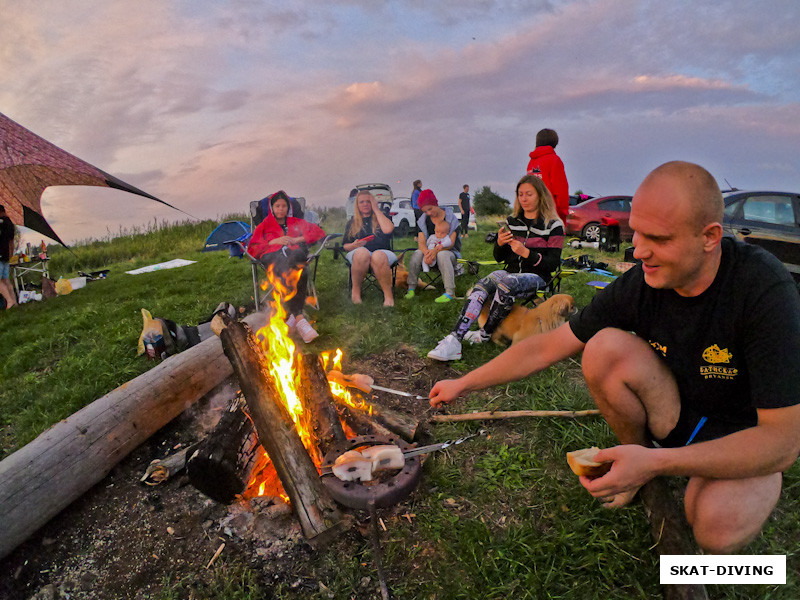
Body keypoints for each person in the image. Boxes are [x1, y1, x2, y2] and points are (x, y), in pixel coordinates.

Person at [429, 161, 800, 554]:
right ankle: (638, 464)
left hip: (743, 432)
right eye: (637, 232)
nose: (638, 251)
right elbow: (549, 345)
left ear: (708, 237)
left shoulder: (763, 290)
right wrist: (463, 383)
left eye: (657, 238)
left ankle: (668, 471)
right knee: (603, 347)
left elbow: (783, 442)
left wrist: (659, 463)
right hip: (676, 410)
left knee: (713, 528)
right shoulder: (643, 281)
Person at [427, 175, 563, 361]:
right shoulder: (513, 221)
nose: (523, 199)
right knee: (483, 284)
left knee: (506, 282)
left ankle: (484, 335)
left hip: (539, 277)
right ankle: (454, 339)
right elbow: (499, 258)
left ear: (540, 195)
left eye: (529, 194)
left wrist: (526, 253)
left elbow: (553, 263)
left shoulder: (554, 225)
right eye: (520, 194)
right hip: (511, 272)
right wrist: (499, 243)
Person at [247, 191, 326, 343]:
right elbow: (253, 247)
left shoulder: (296, 222)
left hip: (295, 255)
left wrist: (298, 238)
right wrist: (274, 241)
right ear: (272, 208)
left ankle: (292, 317)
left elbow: (318, 232)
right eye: (277, 206)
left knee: (299, 265)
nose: (281, 209)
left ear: (288, 208)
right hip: (272, 258)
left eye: (284, 206)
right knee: (288, 267)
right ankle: (299, 317)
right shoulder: (264, 225)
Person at [404, 189, 461, 304]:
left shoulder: (450, 218)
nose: (429, 213)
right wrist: (427, 253)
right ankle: (411, 288)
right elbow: (421, 243)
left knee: (442, 254)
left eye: (430, 209)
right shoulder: (422, 221)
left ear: (436, 203)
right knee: (417, 253)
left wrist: (435, 251)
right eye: (425, 211)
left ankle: (450, 293)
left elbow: (452, 242)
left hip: (448, 252)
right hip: (429, 254)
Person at [342, 190, 396, 306]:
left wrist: (376, 210)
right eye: (361, 202)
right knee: (362, 252)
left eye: (368, 201)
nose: (365, 204)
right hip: (358, 255)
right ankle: (356, 293)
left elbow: (388, 230)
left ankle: (388, 297)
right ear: (357, 205)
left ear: (373, 203)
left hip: (383, 253)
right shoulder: (352, 222)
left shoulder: (383, 217)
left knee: (378, 255)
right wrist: (354, 245)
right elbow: (345, 245)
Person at [527, 128, 569, 224]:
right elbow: (561, 190)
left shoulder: (531, 162)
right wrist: (563, 215)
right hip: (550, 214)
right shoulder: (554, 160)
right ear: (555, 142)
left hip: (532, 213)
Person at [0, 205, 17, 309]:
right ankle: (14, 302)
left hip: (0, 254)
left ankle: (9, 302)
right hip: (6, 255)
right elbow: (12, 242)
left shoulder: (1, 223)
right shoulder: (10, 223)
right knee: (6, 280)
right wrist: (11, 254)